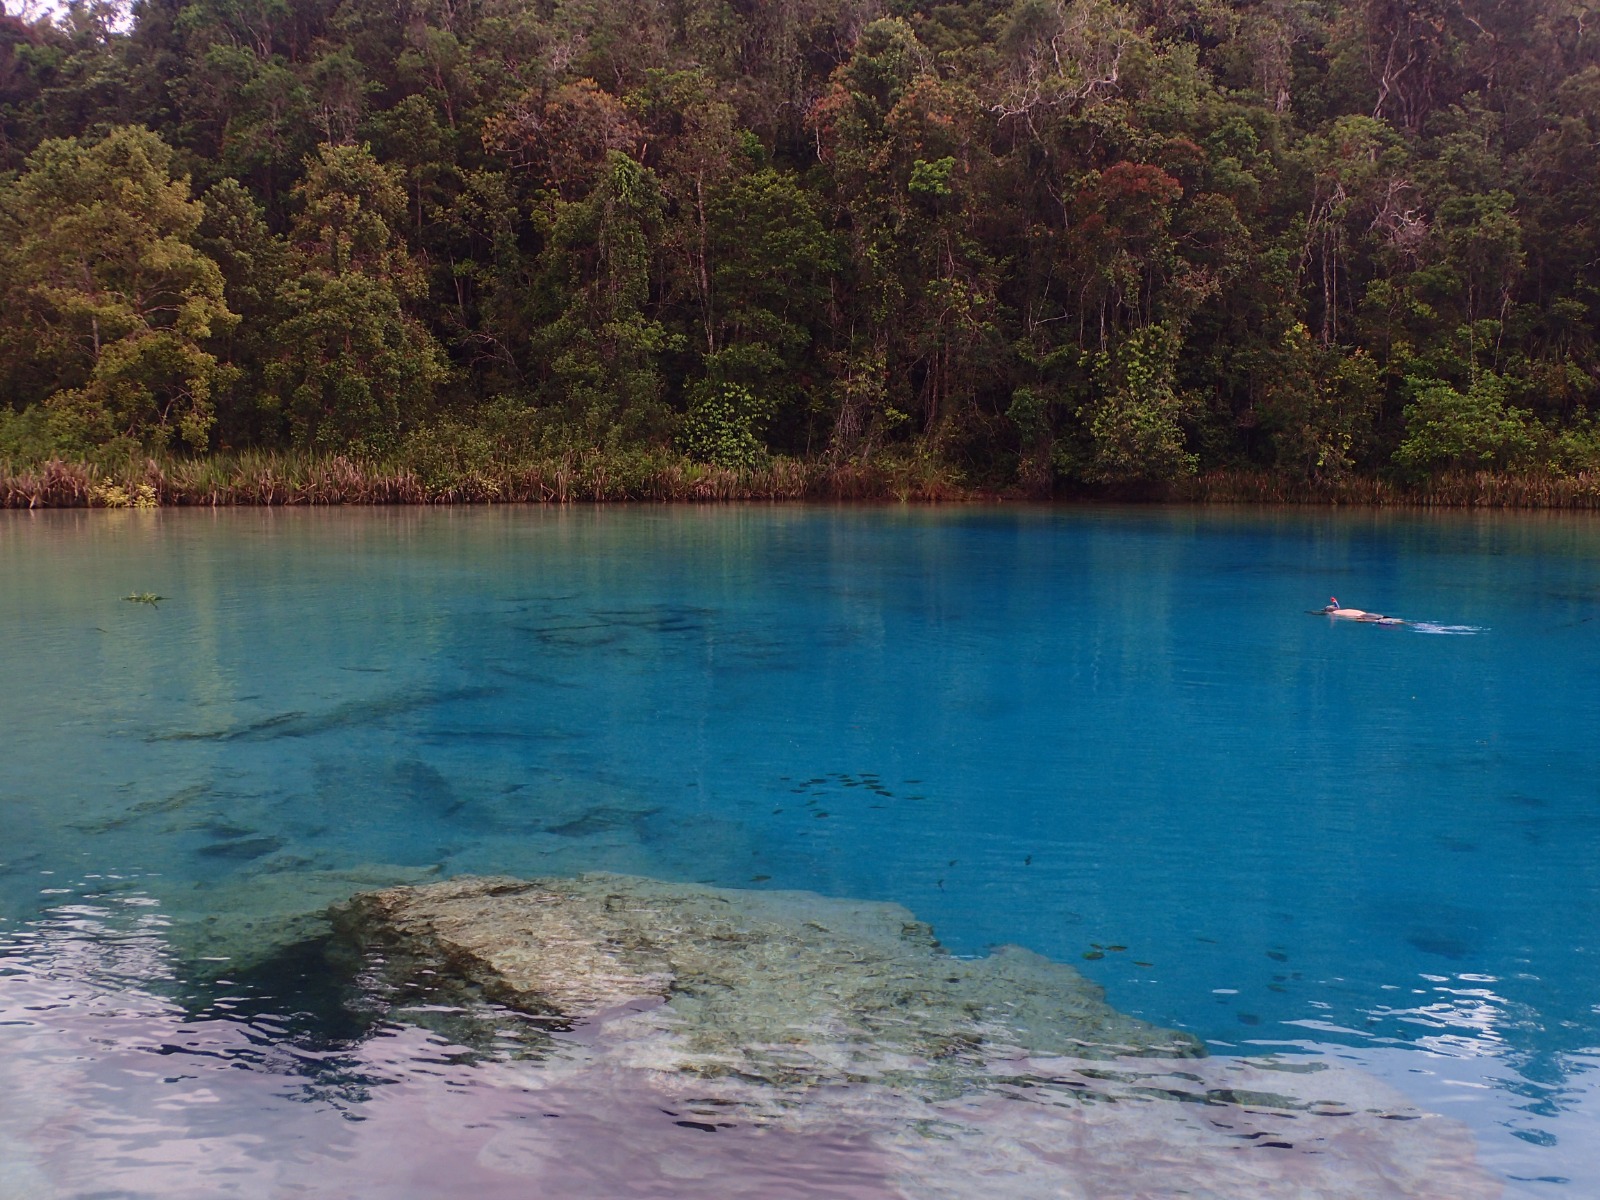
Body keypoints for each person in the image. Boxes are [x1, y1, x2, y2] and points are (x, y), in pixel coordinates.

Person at [1321, 597, 1405, 624]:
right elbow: (1336, 605)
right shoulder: (1336, 612)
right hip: (1363, 615)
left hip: (1362, 617)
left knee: (1381, 619)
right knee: (1382, 618)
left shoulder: (1335, 613)